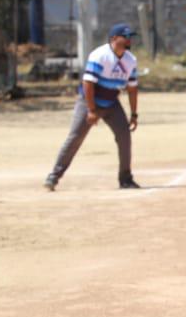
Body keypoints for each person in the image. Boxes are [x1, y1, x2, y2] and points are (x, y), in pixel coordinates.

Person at [44, 23, 142, 191]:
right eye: (125, 37)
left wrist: (134, 114)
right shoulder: (100, 55)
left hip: (111, 102)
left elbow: (132, 88)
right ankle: (54, 176)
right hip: (89, 101)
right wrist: (91, 110)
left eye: (130, 37)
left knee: (124, 136)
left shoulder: (130, 60)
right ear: (113, 39)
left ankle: (125, 178)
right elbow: (88, 83)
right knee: (75, 137)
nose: (128, 40)